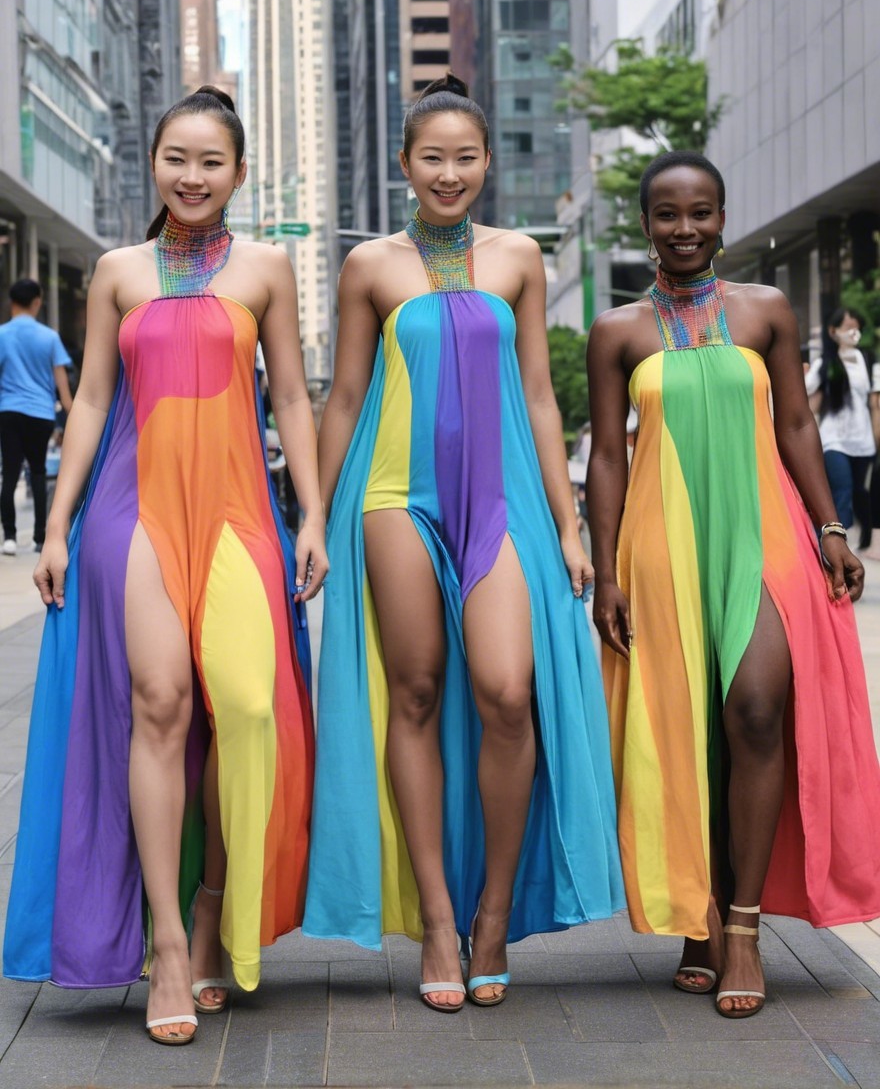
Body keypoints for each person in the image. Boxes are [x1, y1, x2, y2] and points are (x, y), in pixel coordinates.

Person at [3, 86, 327, 1046]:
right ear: (154, 163)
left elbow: (294, 403)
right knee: (158, 703)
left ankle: (217, 899)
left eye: (211, 162)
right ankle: (172, 946)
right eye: (176, 159)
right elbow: (93, 402)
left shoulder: (267, 268)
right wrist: (56, 524)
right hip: (128, 512)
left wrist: (310, 512)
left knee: (250, 706)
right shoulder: (116, 271)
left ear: (237, 172)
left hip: (237, 512)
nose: (191, 177)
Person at [303, 74, 624, 1013]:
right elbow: (347, 398)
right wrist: (316, 518)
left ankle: (494, 912)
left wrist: (567, 525)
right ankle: (439, 922)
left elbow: (536, 395)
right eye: (431, 158)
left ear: (488, 162)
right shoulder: (370, 265)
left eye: (466, 157)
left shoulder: (520, 256)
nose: (450, 173)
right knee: (413, 690)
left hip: (504, 503)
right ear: (405, 165)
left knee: (506, 692)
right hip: (396, 496)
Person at [587, 150, 880, 1020]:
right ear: (645, 225)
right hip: (661, 541)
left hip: (767, 533)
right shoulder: (618, 333)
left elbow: (794, 421)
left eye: (702, 212)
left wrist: (831, 526)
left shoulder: (767, 311)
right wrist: (605, 572)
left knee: (754, 709)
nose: (686, 229)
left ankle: (743, 929)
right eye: (668, 215)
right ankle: (696, 914)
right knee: (683, 732)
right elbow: (608, 456)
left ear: (722, 217)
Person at [0, 278, 73, 555]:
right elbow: (63, 390)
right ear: (37, 302)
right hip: (41, 413)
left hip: (8, 411)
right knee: (39, 471)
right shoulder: (49, 337)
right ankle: (40, 538)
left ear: (11, 302)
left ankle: (8, 536)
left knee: (10, 472)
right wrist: (74, 418)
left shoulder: (2, 334)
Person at [804, 309, 877, 546]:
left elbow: (873, 403)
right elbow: (804, 389)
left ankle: (864, 537)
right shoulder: (825, 363)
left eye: (857, 328)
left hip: (862, 439)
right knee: (842, 490)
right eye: (848, 327)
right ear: (833, 332)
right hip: (833, 438)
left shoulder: (867, 360)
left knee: (858, 491)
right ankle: (837, 546)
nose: (853, 332)